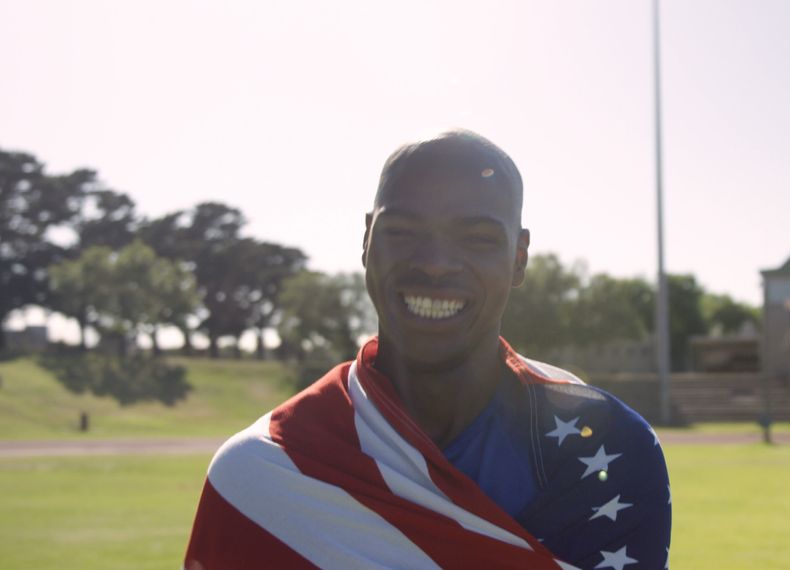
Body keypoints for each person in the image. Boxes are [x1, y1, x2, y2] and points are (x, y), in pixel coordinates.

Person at [185, 130, 671, 569]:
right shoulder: (264, 473)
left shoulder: (606, 449)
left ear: (518, 259)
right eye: (402, 232)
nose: (435, 265)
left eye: (476, 238)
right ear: (366, 241)